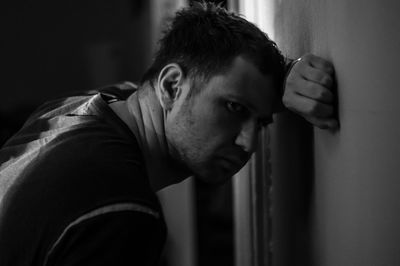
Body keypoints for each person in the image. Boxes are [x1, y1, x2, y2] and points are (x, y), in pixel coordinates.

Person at [0, 2, 337, 266]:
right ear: (171, 86)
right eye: (234, 109)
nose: (248, 143)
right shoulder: (122, 210)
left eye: (260, 122)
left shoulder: (81, 108)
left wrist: (290, 73)